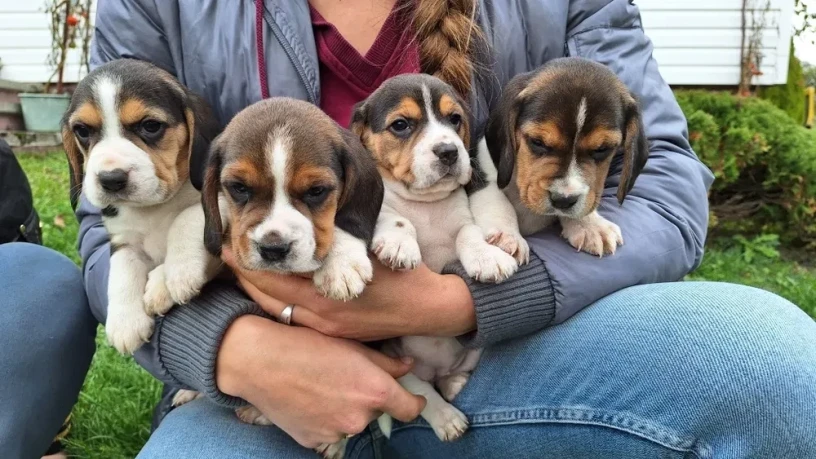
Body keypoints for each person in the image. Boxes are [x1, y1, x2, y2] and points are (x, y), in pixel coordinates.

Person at [5, 0, 814, 458]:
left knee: (771, 367)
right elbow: (111, 224)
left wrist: (460, 304)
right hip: (264, 381)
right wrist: (231, 351)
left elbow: (669, 184)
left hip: (504, 351)